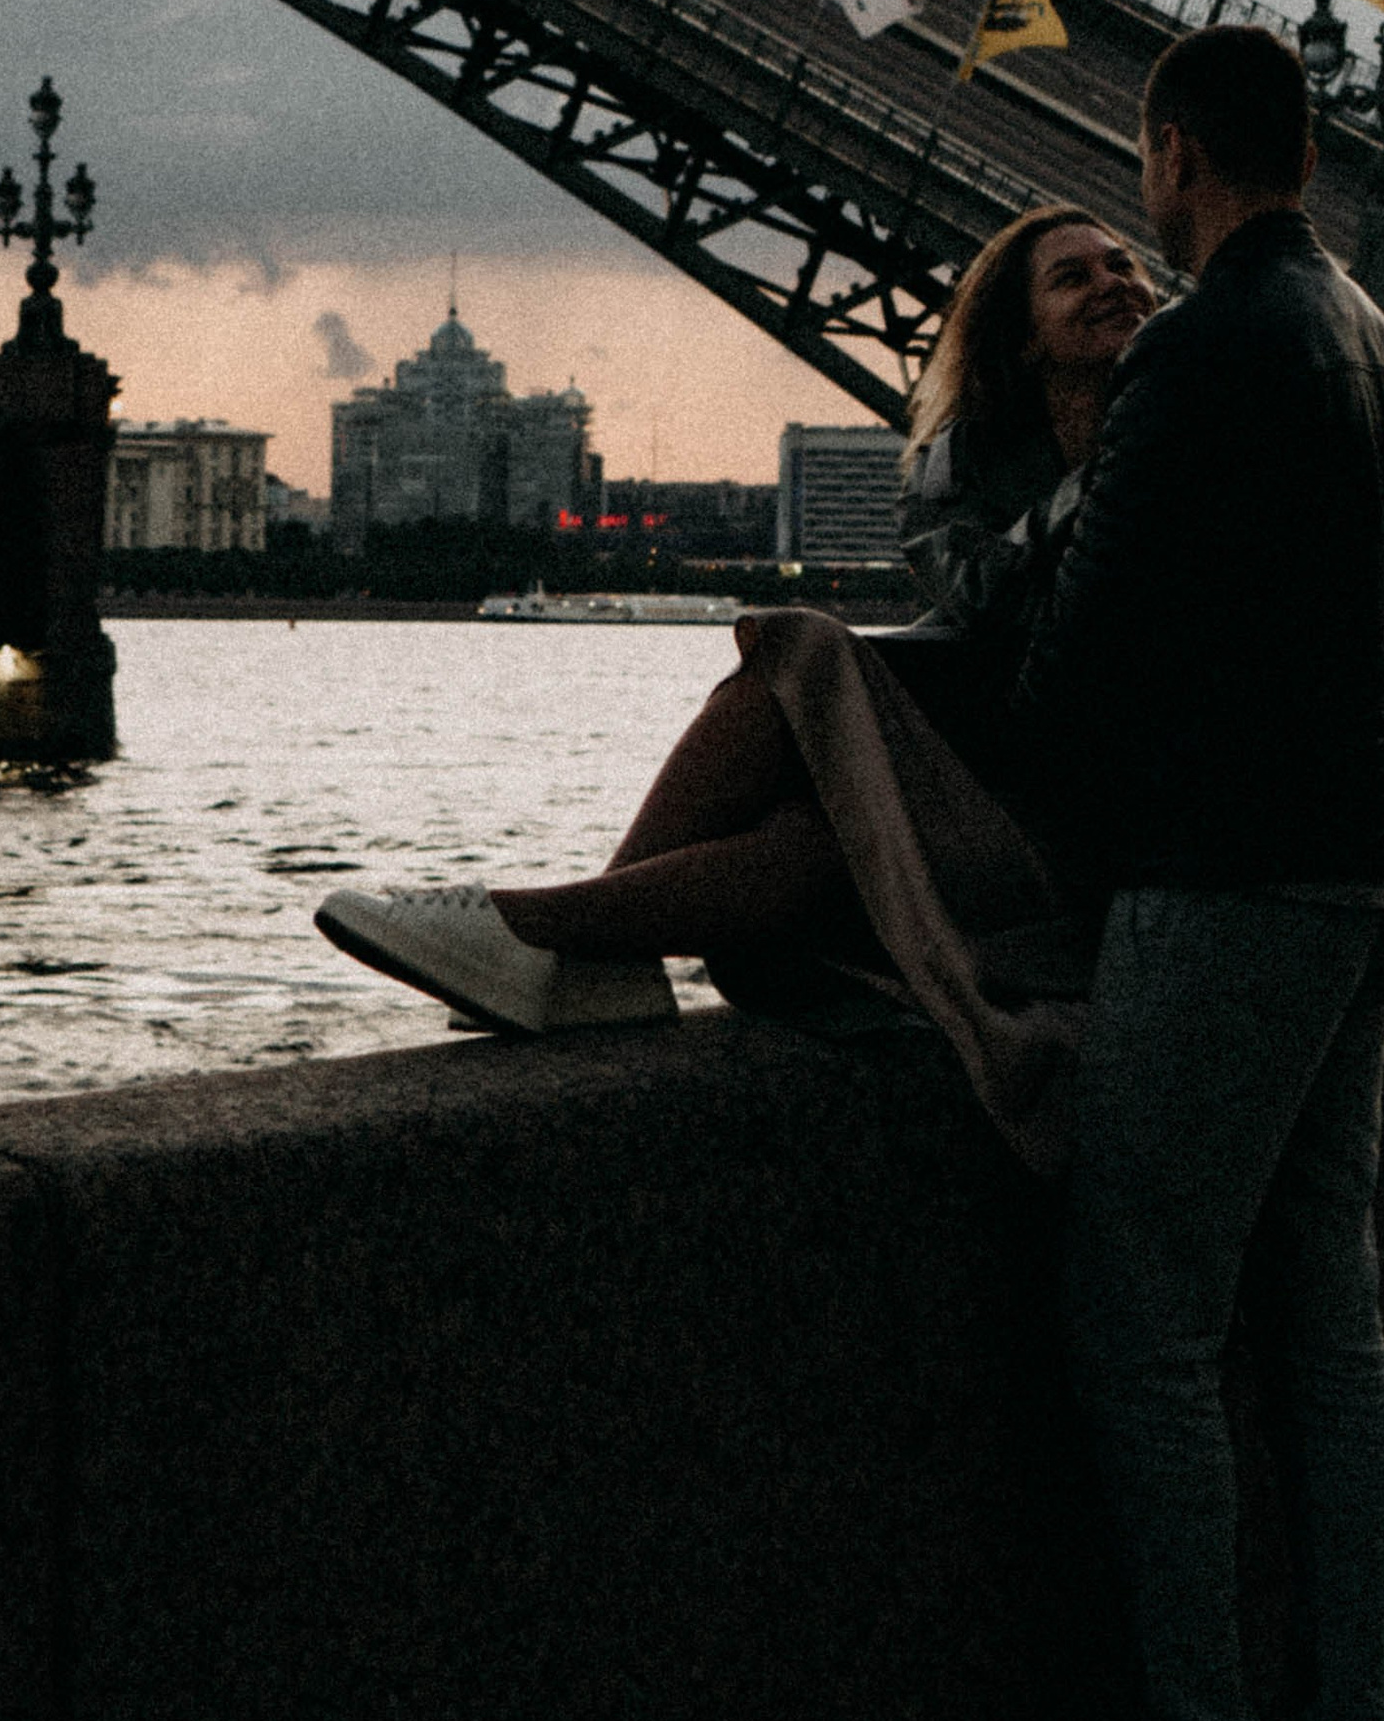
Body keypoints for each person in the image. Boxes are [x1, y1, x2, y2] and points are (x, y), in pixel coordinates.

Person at [990, 24, 1384, 1721]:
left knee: (1146, 1324)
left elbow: (1085, 656)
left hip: (1230, 874)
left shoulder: (1199, 349)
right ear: (1317, 157)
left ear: (1177, 152)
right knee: (1329, 1340)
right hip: (1380, 867)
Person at [313, 205, 1155, 1169]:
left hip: (1078, 840)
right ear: (1018, 335)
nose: (1111, 283)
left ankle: (550, 934)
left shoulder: (1180, 446)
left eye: (1121, 264)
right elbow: (991, 608)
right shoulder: (965, 470)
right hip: (991, 802)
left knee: (800, 658)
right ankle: (581, 944)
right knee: (805, 830)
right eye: (1072, 276)